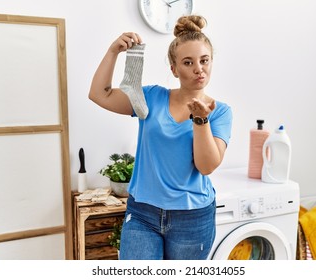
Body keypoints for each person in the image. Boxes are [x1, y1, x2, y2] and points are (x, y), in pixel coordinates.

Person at [89, 15, 233, 260]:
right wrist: (114, 50)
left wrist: (200, 120)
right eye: (188, 62)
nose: (199, 68)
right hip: (143, 213)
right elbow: (99, 94)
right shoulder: (151, 98)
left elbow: (206, 166)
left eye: (204, 60)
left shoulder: (219, 112)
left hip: (192, 217)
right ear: (174, 69)